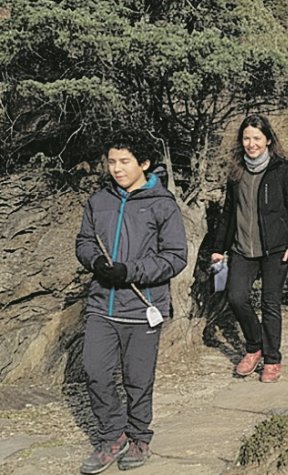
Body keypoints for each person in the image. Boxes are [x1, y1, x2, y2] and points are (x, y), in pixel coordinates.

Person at [75, 134, 188, 473]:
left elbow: (175, 257)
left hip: (142, 306)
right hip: (101, 305)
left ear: (144, 164)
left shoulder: (162, 203)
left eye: (124, 161)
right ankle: (113, 437)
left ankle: (139, 437)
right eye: (111, 162)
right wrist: (94, 262)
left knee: (138, 380)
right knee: (95, 372)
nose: (116, 168)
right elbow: (84, 241)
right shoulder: (99, 201)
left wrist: (130, 271)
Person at [211, 114, 288, 383]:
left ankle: (272, 360)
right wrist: (219, 247)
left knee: (270, 303)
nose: (251, 144)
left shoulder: (281, 169)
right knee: (236, 297)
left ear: (268, 140)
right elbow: (229, 212)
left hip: (276, 249)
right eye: (247, 138)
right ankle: (254, 347)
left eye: (257, 138)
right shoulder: (236, 171)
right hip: (242, 248)